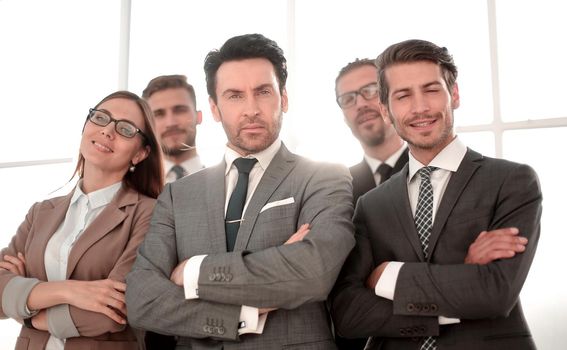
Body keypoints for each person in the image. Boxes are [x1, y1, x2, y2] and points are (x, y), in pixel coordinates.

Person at [126, 33, 355, 349]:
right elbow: (142, 301)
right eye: (234, 95)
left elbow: (314, 272)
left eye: (263, 92)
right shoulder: (178, 195)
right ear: (215, 108)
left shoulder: (323, 177)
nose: (251, 109)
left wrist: (193, 272)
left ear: (283, 99)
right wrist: (243, 315)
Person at [330, 39, 541, 350]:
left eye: (431, 90)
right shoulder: (371, 205)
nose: (420, 108)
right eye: (403, 96)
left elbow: (496, 292)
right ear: (387, 111)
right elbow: (349, 313)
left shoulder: (511, 180)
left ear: (453, 95)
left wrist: (389, 276)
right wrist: (462, 276)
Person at [0, 91, 164, 350]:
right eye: (100, 118)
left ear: (140, 154)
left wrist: (27, 308)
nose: (108, 131)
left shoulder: (150, 213)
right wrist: (68, 291)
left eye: (125, 129)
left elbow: (112, 311)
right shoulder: (40, 213)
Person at [335, 58, 408, 204]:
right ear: (343, 116)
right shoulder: (339, 187)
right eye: (348, 99)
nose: (361, 104)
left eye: (371, 90)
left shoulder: (429, 170)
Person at [143, 74, 204, 182]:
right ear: (147, 125)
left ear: (198, 117)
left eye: (180, 110)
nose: (170, 123)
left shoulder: (227, 186)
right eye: (158, 114)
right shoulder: (133, 191)